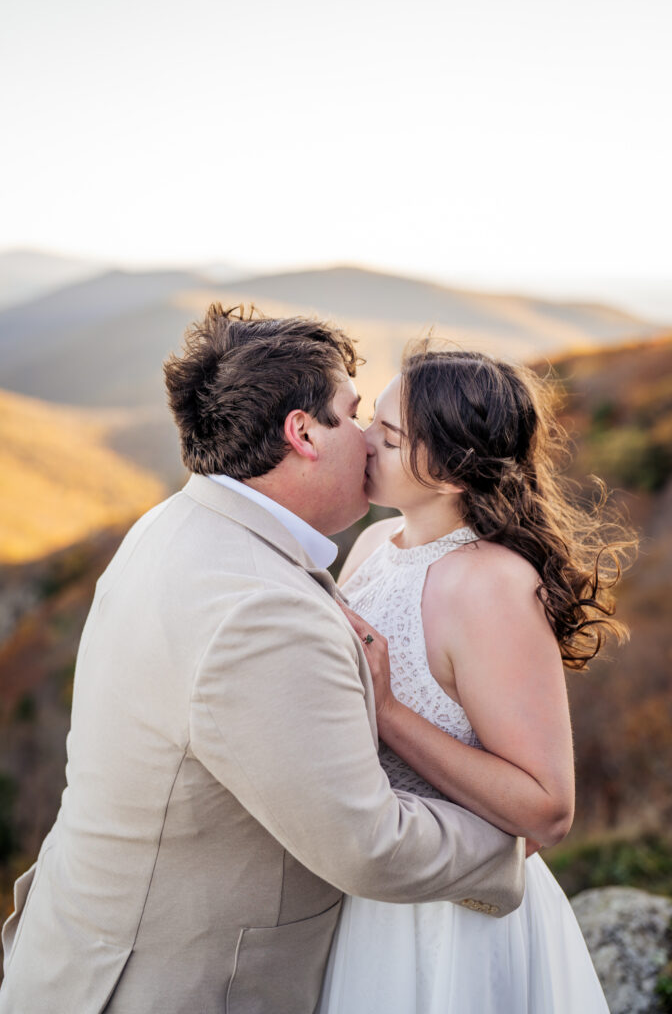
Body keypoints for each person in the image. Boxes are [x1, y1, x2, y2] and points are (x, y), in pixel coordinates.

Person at [0, 308, 525, 1014]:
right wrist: (504, 843)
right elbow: (366, 845)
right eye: (352, 413)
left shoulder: (172, 524)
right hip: (169, 986)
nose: (370, 438)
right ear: (302, 433)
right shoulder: (260, 610)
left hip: (80, 950)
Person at [318, 345, 634, 1013]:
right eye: (372, 420)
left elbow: (547, 809)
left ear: (453, 470)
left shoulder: (490, 584)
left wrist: (390, 714)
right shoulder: (376, 544)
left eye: (390, 436)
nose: (363, 441)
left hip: (451, 920)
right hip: (367, 889)